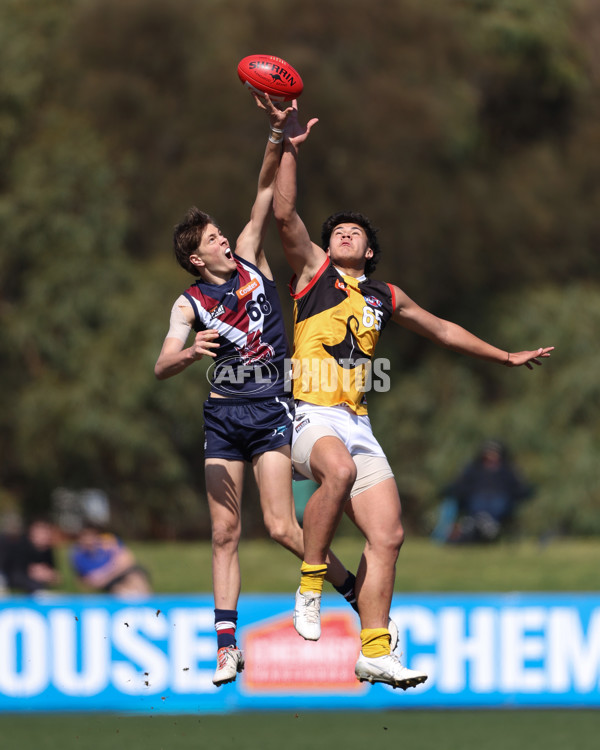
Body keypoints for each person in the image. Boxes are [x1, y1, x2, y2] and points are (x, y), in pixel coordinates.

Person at [272, 102, 554, 690]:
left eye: (355, 232)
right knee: (339, 472)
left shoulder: (384, 294)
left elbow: (443, 329)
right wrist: (290, 142)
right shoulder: (312, 276)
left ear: (370, 251)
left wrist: (504, 355)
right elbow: (285, 211)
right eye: (335, 232)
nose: (342, 233)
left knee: (389, 536)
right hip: (307, 416)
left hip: (356, 419)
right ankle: (309, 586)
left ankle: (374, 649)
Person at [154, 94, 367, 688]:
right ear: (196, 258)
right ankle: (227, 647)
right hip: (223, 418)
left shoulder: (251, 260)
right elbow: (162, 363)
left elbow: (266, 195)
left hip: (270, 409)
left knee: (277, 526)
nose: (226, 240)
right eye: (214, 239)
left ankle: (351, 587)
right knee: (224, 532)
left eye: (224, 234)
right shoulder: (189, 303)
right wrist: (190, 352)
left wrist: (280, 138)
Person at [434, 439, 534, 544]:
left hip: (500, 500)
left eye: (494, 453)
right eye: (489, 453)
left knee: (496, 504)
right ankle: (482, 523)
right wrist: (449, 491)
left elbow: (518, 488)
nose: (491, 456)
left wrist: (526, 492)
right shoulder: (474, 469)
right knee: (478, 503)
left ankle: (484, 523)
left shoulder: (507, 471)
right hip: (477, 500)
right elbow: (461, 485)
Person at [70, 523, 152, 595]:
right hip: (111, 584)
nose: (88, 540)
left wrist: (106, 574)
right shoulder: (78, 555)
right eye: (85, 536)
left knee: (136, 579)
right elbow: (87, 581)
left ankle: (150, 607)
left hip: (123, 574)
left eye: (91, 536)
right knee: (120, 590)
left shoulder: (108, 541)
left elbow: (128, 560)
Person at [3, 517, 61, 594]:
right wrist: (33, 573)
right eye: (41, 533)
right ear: (32, 533)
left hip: (36, 584)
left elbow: (54, 575)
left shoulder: (48, 550)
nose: (45, 536)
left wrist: (49, 575)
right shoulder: (20, 546)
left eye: (47, 532)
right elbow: (15, 574)